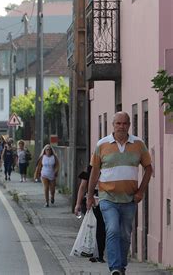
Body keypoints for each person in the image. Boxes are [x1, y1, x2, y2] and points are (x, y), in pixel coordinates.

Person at [87, 112, 152, 275]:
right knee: (113, 229)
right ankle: (115, 267)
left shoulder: (138, 144)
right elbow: (94, 172)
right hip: (107, 197)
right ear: (113, 125)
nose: (121, 126)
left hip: (130, 199)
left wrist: (141, 192)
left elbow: (148, 168)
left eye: (125, 123)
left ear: (129, 125)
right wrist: (89, 196)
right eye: (118, 123)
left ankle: (121, 267)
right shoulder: (102, 144)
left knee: (125, 234)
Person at [75, 165, 106, 263]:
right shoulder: (90, 168)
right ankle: (93, 252)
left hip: (105, 200)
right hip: (91, 202)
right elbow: (82, 186)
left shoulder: (108, 166)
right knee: (93, 227)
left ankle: (98, 254)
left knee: (101, 228)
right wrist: (78, 204)